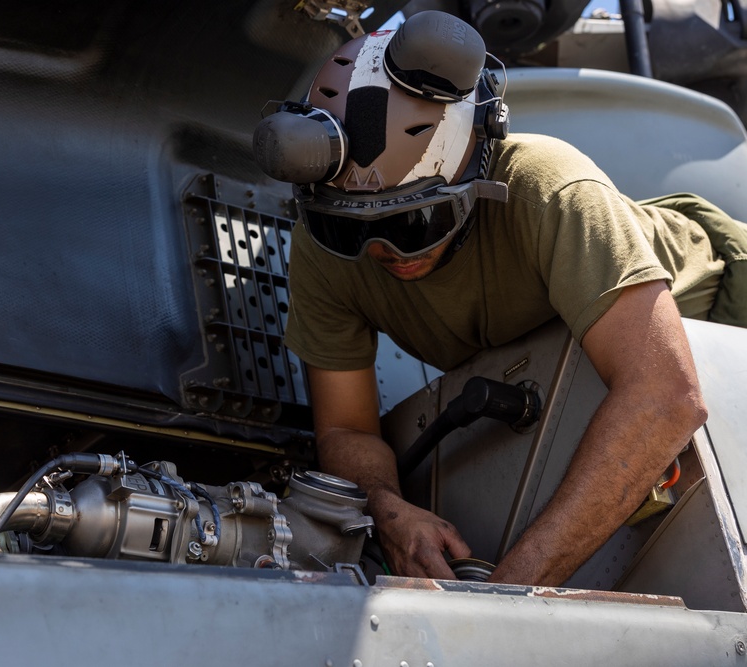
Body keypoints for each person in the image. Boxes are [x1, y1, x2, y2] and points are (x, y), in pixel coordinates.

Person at [252, 10, 747, 586]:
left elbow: (664, 396)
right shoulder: (326, 244)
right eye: (353, 230)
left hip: (719, 308)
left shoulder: (549, 187)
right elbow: (347, 430)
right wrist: (390, 512)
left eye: (416, 222)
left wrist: (509, 594)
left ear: (477, 177)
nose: (385, 250)